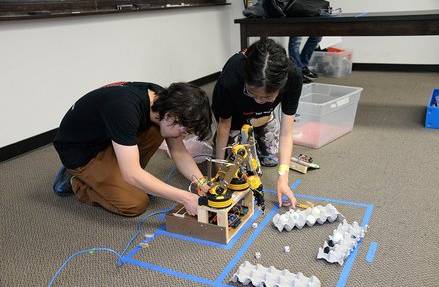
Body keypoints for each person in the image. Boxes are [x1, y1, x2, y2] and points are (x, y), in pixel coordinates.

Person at [53, 81, 212, 217]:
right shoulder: (124, 109)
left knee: (159, 131)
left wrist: (203, 183)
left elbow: (179, 151)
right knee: (136, 203)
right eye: (184, 131)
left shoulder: (163, 101)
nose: (183, 137)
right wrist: (186, 198)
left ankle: (120, 177)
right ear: (170, 116)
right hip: (81, 153)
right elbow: (131, 174)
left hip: (109, 138)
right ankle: (78, 182)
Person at [211, 38, 301, 208]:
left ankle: (260, 130)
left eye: (268, 97)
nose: (260, 100)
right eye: (253, 94)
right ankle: (228, 145)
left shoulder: (293, 77)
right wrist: (220, 171)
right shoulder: (231, 79)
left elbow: (287, 132)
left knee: (273, 159)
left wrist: (283, 178)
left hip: (264, 117)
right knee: (237, 174)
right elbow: (224, 124)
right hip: (235, 120)